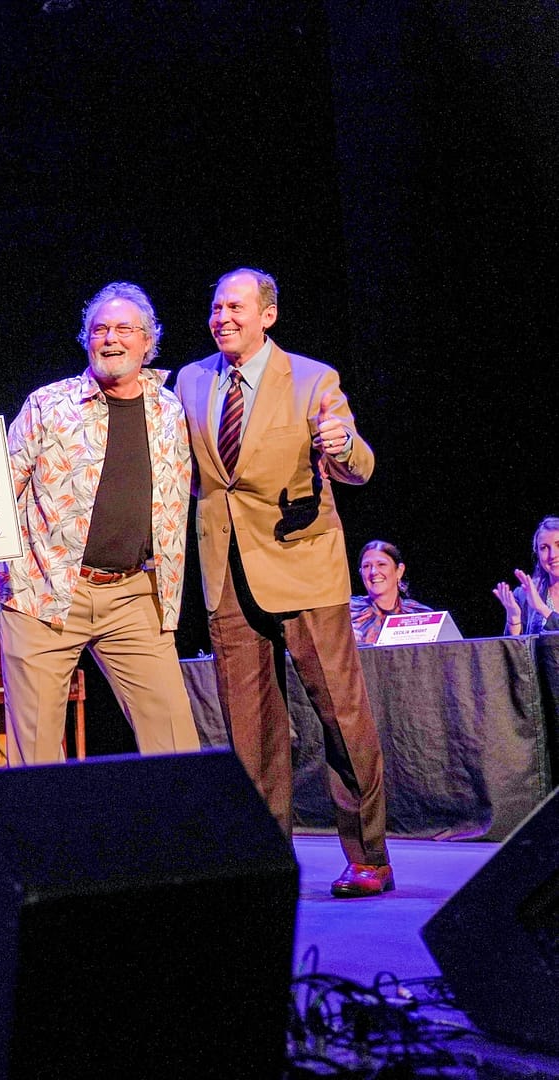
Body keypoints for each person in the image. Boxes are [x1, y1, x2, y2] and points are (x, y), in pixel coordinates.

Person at [174, 268, 392, 899]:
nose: (223, 318)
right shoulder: (190, 380)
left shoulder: (312, 379)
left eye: (236, 308)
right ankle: (268, 857)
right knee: (250, 729)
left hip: (303, 567)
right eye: (217, 308)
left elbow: (358, 466)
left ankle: (370, 856)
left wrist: (342, 444)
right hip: (226, 574)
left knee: (340, 714)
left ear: (267, 315)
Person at [0, 282, 200, 767]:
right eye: (100, 330)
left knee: (176, 745)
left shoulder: (172, 412)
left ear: (148, 341)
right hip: (44, 591)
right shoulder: (48, 404)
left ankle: (182, 821)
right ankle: (41, 823)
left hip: (135, 595)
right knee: (36, 755)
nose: (110, 338)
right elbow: (2, 483)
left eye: (124, 329)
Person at [350, 540, 433, 645]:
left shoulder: (420, 614)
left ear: (399, 571)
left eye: (381, 564)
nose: (373, 572)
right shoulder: (348, 611)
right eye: (366, 566)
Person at [494, 517, 559, 635]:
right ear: (537, 554)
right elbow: (514, 646)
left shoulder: (536, 601)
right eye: (544, 548)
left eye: (558, 545)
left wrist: (542, 608)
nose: (552, 555)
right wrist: (514, 618)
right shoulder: (525, 594)